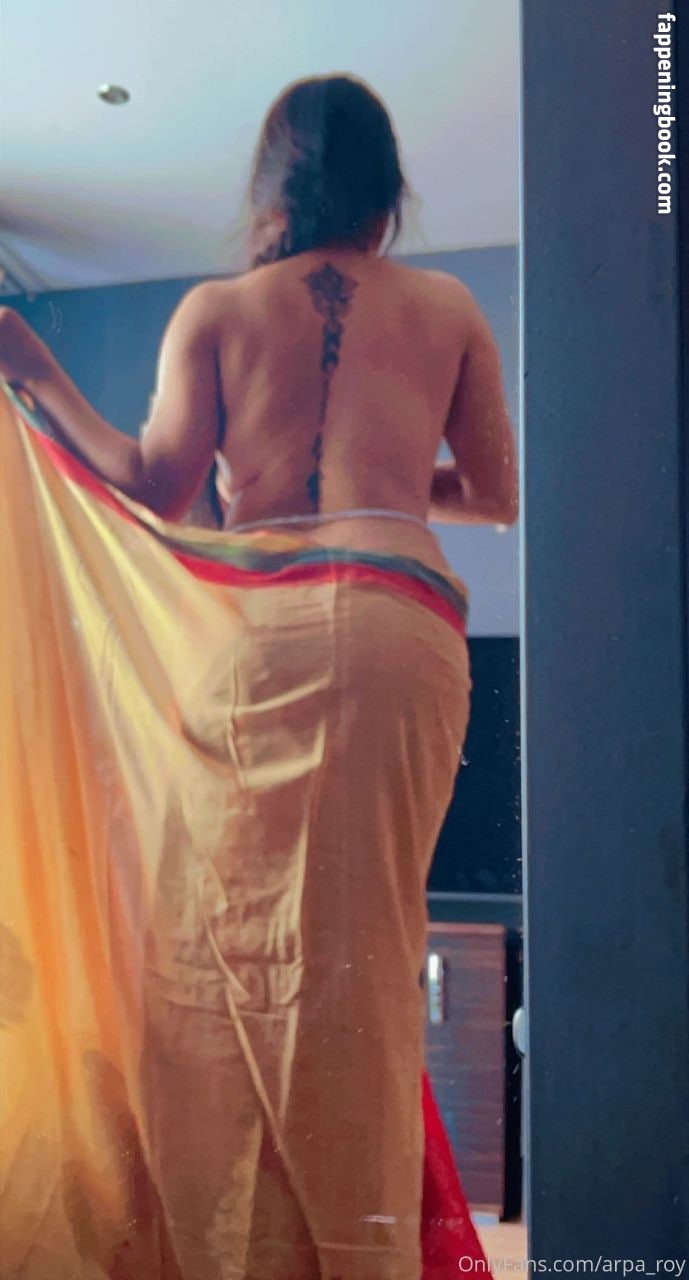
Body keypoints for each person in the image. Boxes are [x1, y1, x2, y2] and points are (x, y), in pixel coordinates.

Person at [0, 73, 516, 1280]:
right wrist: (387, 485)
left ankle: (224, 1241)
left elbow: (156, 483)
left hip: (252, 630)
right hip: (401, 628)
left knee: (209, 942)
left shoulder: (215, 310)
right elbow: (494, 494)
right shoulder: (447, 307)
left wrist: (33, 365)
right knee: (366, 955)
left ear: (273, 191)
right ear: (385, 195)